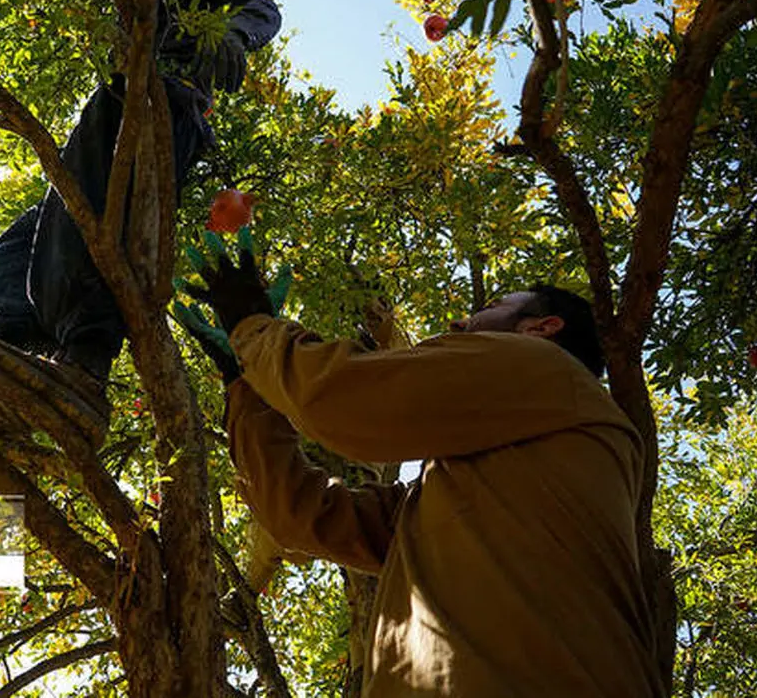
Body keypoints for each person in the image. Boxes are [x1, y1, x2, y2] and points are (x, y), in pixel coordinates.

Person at [183, 250, 665, 696]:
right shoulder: (458, 497)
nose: (461, 319)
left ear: (541, 328)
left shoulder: (549, 368)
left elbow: (345, 400)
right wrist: (243, 385)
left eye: (496, 303)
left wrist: (252, 326)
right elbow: (298, 515)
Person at [0, 0, 281, 388]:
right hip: (118, 92)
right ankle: (25, 364)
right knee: (10, 254)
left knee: (100, 229)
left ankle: (85, 363)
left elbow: (262, 9)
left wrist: (234, 36)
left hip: (168, 99)